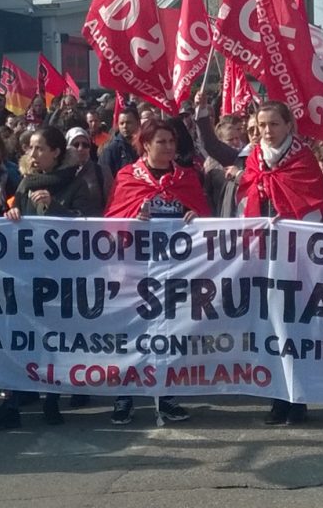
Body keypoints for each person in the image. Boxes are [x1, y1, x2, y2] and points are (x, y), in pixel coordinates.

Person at [104, 119, 210, 426]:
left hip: (172, 269)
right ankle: (124, 396)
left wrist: (195, 215)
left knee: (168, 332)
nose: (167, 147)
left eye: (171, 142)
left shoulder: (187, 177)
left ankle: (166, 396)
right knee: (130, 332)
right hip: (133, 268)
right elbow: (112, 218)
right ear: (146, 145)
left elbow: (203, 215)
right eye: (161, 142)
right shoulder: (128, 176)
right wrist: (134, 217)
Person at [0, 126, 93, 430]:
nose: (32, 155)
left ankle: (52, 400)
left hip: (61, 277)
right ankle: (12, 402)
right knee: (22, 338)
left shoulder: (75, 182)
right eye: (30, 149)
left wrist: (57, 207)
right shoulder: (24, 184)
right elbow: (16, 214)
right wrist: (10, 217)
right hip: (27, 274)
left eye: (40, 148)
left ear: (56, 153)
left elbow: (89, 225)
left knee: (54, 340)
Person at [239, 102, 323, 425]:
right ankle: (277, 397)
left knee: (293, 327)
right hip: (262, 256)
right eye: (262, 125)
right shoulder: (254, 158)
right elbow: (244, 196)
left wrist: (289, 220)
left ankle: (298, 398)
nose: (266, 131)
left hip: (294, 258)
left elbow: (316, 204)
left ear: (289, 125)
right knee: (267, 327)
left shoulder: (303, 160)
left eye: (273, 124)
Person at [65, 127, 109, 214]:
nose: (81, 149)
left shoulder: (102, 171)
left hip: (95, 225)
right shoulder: (60, 172)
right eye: (76, 144)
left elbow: (111, 203)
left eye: (85, 145)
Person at [100, 108, 140, 178]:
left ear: (138, 123)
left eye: (128, 122)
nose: (125, 126)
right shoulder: (111, 150)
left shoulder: (146, 146)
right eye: (121, 123)